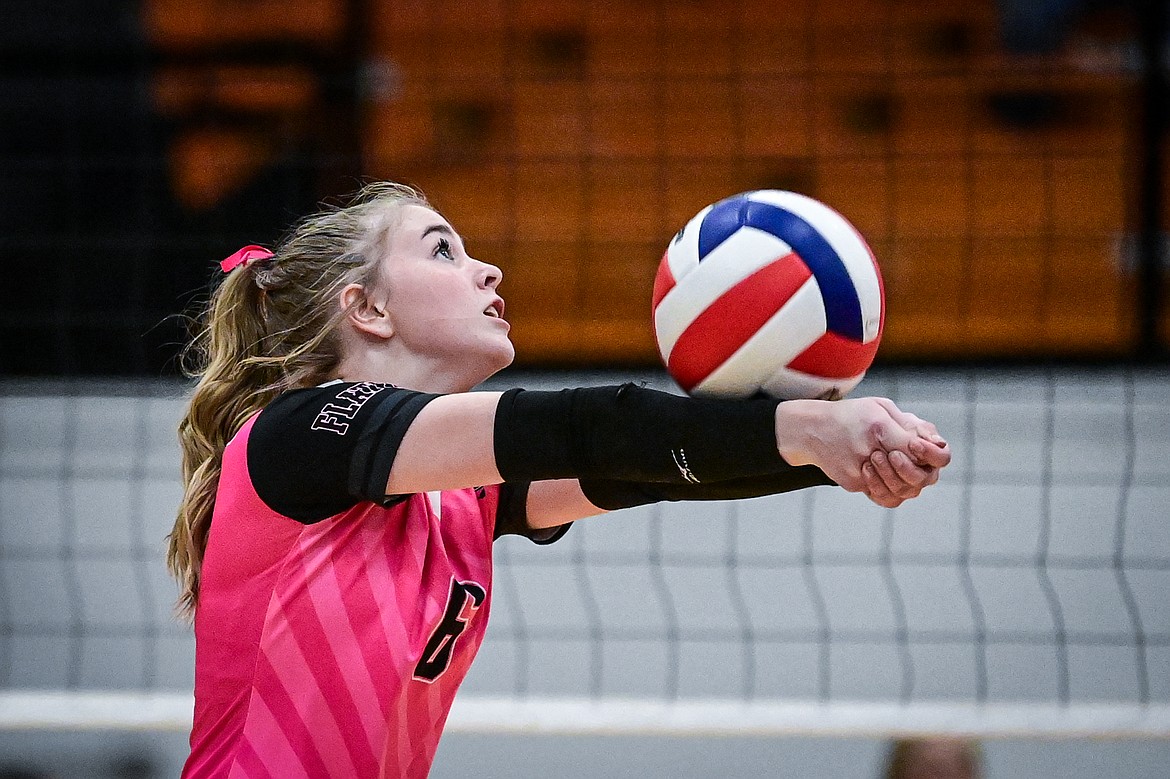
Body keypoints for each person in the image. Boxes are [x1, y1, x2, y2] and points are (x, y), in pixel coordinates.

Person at [167, 181, 951, 778]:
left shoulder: (454, 492)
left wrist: (835, 457)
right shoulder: (296, 433)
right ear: (367, 307)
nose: (487, 269)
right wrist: (815, 429)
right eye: (444, 249)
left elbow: (651, 468)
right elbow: (590, 425)